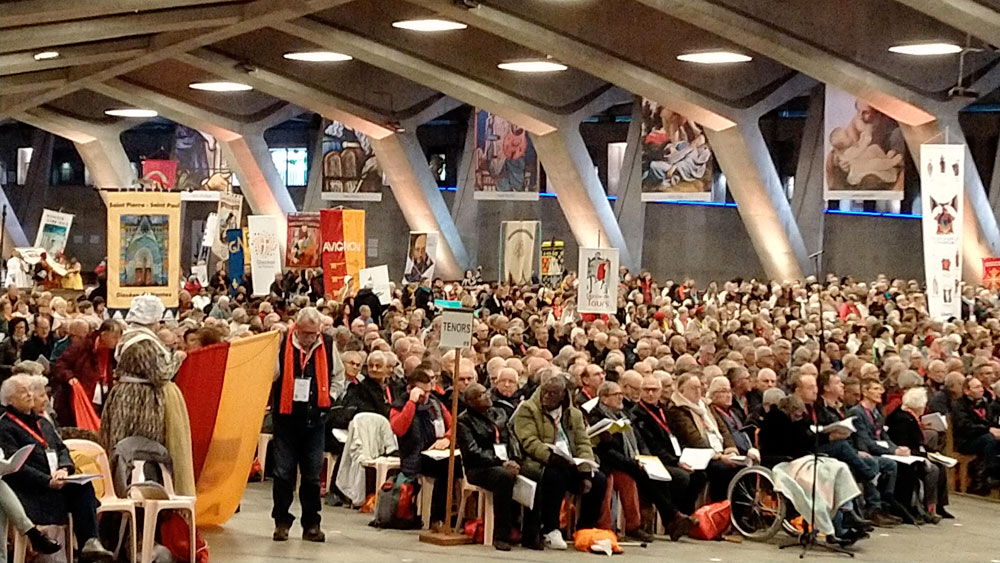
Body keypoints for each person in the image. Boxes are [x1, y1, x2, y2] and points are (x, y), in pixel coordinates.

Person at [0, 375, 114, 562]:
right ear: (9, 400)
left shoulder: (42, 422)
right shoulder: (5, 427)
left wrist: (65, 469)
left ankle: (90, 543)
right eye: (22, 392)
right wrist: (47, 481)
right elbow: (15, 466)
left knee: (83, 487)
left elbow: (62, 449)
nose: (30, 394)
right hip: (30, 490)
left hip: (56, 482)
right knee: (75, 497)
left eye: (30, 390)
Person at [270, 307, 345, 542]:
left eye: (314, 333)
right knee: (283, 474)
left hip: (316, 420)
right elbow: (271, 375)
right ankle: (281, 522)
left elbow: (339, 376)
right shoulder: (282, 342)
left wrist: (330, 397)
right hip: (286, 419)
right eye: (305, 333)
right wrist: (272, 346)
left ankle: (312, 524)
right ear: (296, 328)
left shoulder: (328, 344)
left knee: (312, 476)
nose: (310, 338)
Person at [589, 381, 696, 542]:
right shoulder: (597, 417)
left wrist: (645, 458)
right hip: (610, 463)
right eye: (616, 395)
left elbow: (639, 441)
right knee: (639, 476)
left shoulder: (623, 414)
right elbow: (607, 450)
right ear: (604, 398)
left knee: (655, 474)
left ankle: (667, 521)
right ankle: (671, 518)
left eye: (621, 394)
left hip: (628, 460)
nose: (620, 398)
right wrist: (632, 463)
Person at [513, 375, 608, 550]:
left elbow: (583, 443)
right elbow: (529, 441)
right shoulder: (528, 409)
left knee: (599, 479)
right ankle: (551, 529)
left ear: (563, 395)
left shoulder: (574, 414)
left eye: (553, 393)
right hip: (540, 462)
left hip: (570, 461)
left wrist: (585, 468)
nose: (547, 396)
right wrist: (550, 456)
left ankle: (585, 529)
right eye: (545, 392)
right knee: (555, 475)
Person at [389, 362, 453, 528]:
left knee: (454, 465)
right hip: (414, 456)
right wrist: (411, 403)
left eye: (429, 391)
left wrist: (447, 438)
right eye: (422, 392)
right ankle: (437, 518)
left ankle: (450, 515)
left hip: (437, 452)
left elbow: (454, 425)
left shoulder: (435, 403)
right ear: (411, 389)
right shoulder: (400, 405)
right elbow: (399, 429)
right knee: (445, 469)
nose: (426, 396)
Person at [456, 383, 518, 551]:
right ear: (470, 402)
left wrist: (514, 459)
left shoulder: (499, 413)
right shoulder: (464, 421)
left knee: (535, 472)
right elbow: (472, 452)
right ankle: (502, 535)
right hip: (479, 468)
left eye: (486, 392)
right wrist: (500, 461)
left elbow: (510, 439)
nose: (487, 396)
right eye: (481, 395)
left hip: (503, 461)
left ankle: (531, 532)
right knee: (504, 477)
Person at [667, 373, 741, 502]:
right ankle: (720, 506)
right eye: (693, 388)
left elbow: (723, 429)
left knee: (741, 467)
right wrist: (720, 457)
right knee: (722, 469)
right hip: (699, 455)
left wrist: (731, 449)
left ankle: (740, 508)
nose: (697, 391)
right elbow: (694, 439)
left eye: (699, 387)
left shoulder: (706, 406)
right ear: (682, 390)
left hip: (719, 450)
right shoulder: (678, 410)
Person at [886, 388, 950, 521]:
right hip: (905, 455)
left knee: (940, 466)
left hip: (914, 452)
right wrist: (924, 455)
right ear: (919, 406)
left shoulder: (911, 417)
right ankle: (928, 508)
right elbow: (905, 444)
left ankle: (938, 505)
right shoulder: (902, 419)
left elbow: (917, 443)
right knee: (933, 469)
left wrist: (931, 452)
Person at [51, 319, 122, 425]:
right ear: (103, 334)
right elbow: (59, 365)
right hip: (78, 399)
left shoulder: (115, 353)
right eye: (114, 337)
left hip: (103, 397)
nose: (117, 341)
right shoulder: (82, 346)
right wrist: (69, 377)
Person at [950, 375, 1000, 492]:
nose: (981, 389)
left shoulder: (984, 403)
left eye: (981, 387)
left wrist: (995, 429)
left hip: (982, 436)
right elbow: (965, 427)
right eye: (977, 387)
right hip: (966, 440)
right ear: (967, 391)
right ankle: (989, 475)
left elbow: (990, 422)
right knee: (990, 440)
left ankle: (993, 473)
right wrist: (988, 430)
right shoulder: (959, 405)